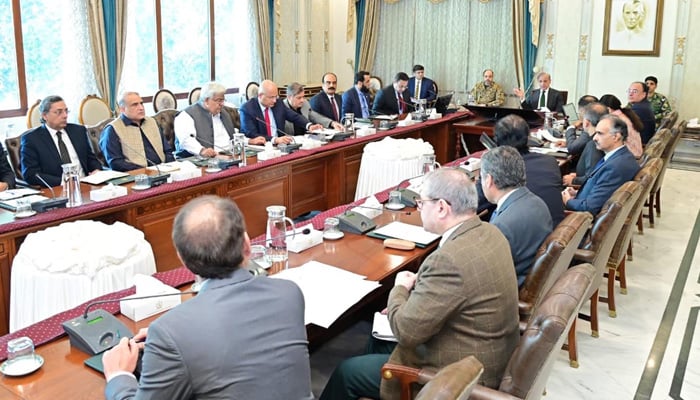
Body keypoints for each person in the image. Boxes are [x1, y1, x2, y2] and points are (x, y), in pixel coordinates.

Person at [319, 168, 519, 400]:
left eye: (422, 203)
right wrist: (419, 291)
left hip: (461, 375)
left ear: (441, 207)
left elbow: (406, 331)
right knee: (378, 338)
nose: (419, 208)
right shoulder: (491, 232)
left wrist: (400, 288)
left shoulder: (448, 261)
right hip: (488, 351)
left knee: (347, 372)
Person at [102, 195, 313, 400]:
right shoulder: (289, 293)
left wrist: (118, 376)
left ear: (183, 260)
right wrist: (173, 337)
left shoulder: (169, 331)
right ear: (247, 244)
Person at [481, 146, 553, 287]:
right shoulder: (537, 202)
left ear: (489, 180)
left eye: (481, 178)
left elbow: (487, 275)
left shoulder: (501, 226)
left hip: (513, 288)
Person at [476, 114, 565, 226]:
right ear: (528, 137)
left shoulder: (500, 171)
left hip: (520, 231)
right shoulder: (550, 161)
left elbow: (473, 204)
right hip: (555, 229)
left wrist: (485, 170)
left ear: (497, 141)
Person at [563, 115, 640, 215]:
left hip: (581, 217)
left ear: (616, 137)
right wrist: (577, 193)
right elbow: (602, 191)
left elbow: (590, 207)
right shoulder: (621, 157)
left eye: (600, 133)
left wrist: (568, 201)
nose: (594, 138)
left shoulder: (614, 168)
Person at [20, 95, 102, 187]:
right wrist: (64, 182)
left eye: (66, 111)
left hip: (86, 184)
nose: (65, 116)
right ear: (44, 116)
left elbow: (91, 159)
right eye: (59, 112)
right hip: (58, 187)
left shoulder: (78, 131)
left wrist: (96, 170)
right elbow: (30, 174)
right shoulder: (32, 139)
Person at [100, 91, 175, 171]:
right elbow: (116, 163)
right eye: (135, 105)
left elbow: (167, 150)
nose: (141, 108)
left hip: (165, 170)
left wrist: (171, 167)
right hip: (137, 174)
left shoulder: (152, 122)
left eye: (141, 103)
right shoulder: (112, 130)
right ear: (122, 109)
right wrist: (147, 171)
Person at [240, 80, 321, 145]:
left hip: (281, 146)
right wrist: (275, 140)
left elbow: (294, 116)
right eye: (271, 97)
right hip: (262, 148)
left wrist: (309, 125)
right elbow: (252, 134)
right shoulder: (247, 109)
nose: (274, 100)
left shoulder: (278, 103)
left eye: (276, 96)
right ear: (260, 96)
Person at [174, 82, 237, 158]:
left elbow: (233, 137)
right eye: (219, 100)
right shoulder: (186, 115)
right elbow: (186, 140)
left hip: (229, 155)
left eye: (223, 100)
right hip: (199, 159)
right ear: (207, 101)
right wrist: (202, 150)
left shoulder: (224, 113)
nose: (222, 104)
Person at [561, 103, 606, 187]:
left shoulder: (594, 145)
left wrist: (574, 181)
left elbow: (592, 178)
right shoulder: (603, 139)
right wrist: (578, 176)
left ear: (586, 123)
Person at [599, 94, 644, 158]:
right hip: (635, 153)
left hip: (631, 156)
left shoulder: (616, 119)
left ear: (608, 109)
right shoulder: (623, 115)